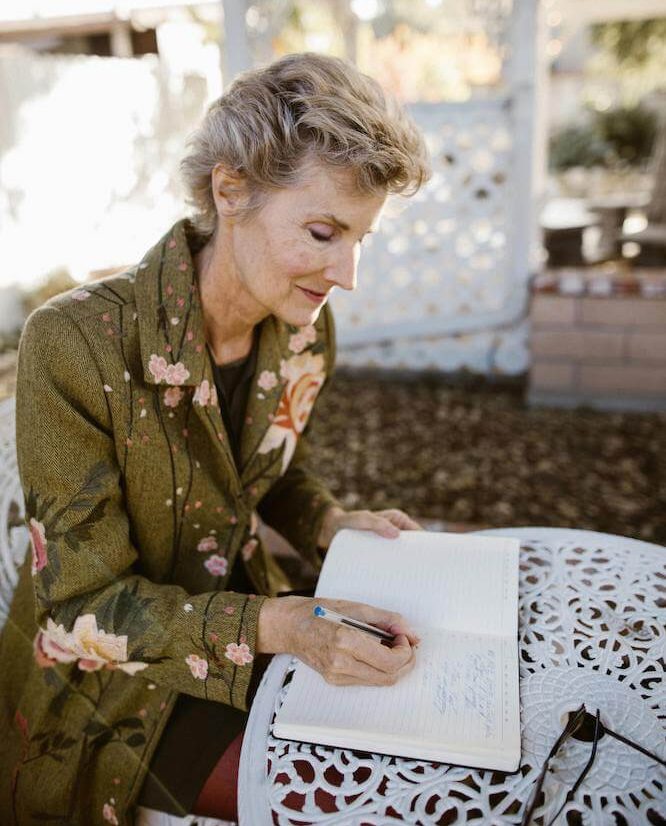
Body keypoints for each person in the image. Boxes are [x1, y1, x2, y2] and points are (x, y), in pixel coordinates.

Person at [0, 52, 430, 824]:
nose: (348, 273)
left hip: (253, 627)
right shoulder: (73, 343)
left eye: (359, 239)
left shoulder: (304, 333)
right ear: (231, 191)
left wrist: (331, 523)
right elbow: (83, 606)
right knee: (330, 803)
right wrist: (286, 625)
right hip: (110, 688)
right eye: (325, 231)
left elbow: (273, 472)